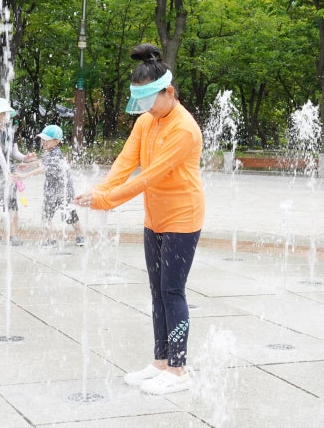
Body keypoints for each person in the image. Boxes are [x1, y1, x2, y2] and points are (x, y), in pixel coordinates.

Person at [74, 43, 204, 395]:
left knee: (172, 291)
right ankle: (161, 362)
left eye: (150, 99)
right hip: (155, 218)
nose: (146, 107)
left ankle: (179, 368)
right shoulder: (147, 121)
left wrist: (106, 201)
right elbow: (125, 163)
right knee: (156, 291)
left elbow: (149, 176)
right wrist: (99, 190)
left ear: (169, 92)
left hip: (182, 218)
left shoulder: (183, 129)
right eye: (141, 101)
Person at [13, 124, 85, 247]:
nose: (43, 142)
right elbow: (42, 161)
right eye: (42, 139)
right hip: (53, 189)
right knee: (48, 215)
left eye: (47, 139)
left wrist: (24, 176)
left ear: (56, 142)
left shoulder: (55, 153)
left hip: (63, 190)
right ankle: (52, 239)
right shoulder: (49, 151)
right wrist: (28, 164)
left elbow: (43, 168)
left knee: (69, 215)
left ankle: (79, 235)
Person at [0, 98, 36, 245]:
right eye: (2, 113)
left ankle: (13, 235)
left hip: (9, 170)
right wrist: (7, 173)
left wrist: (26, 157)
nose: (5, 115)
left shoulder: (11, 132)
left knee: (12, 201)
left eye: (6, 112)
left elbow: (15, 153)